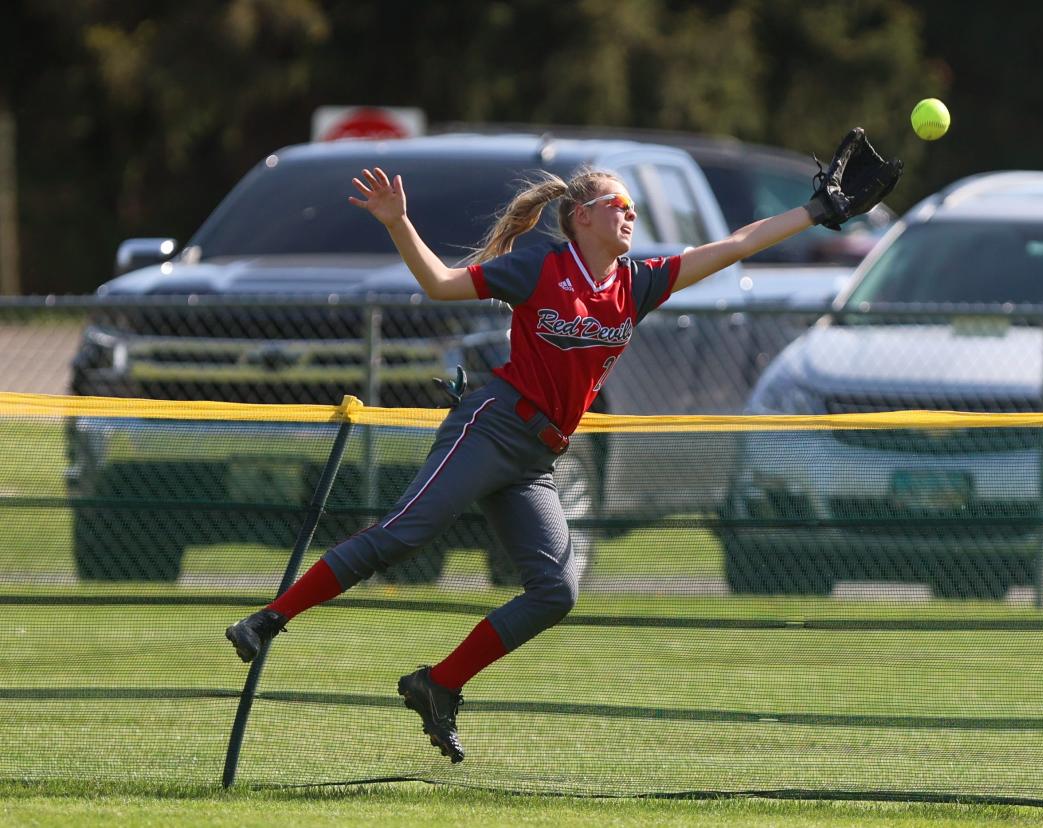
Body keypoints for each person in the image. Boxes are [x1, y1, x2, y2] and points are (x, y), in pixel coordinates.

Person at [225, 128, 901, 764]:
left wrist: (814, 210)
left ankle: (438, 685)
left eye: (634, 208)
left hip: (536, 459)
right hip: (491, 426)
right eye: (619, 205)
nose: (630, 217)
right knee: (405, 535)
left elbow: (735, 245)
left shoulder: (634, 283)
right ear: (581, 216)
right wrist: (399, 222)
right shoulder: (540, 264)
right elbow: (439, 284)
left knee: (556, 591)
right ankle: (268, 619)